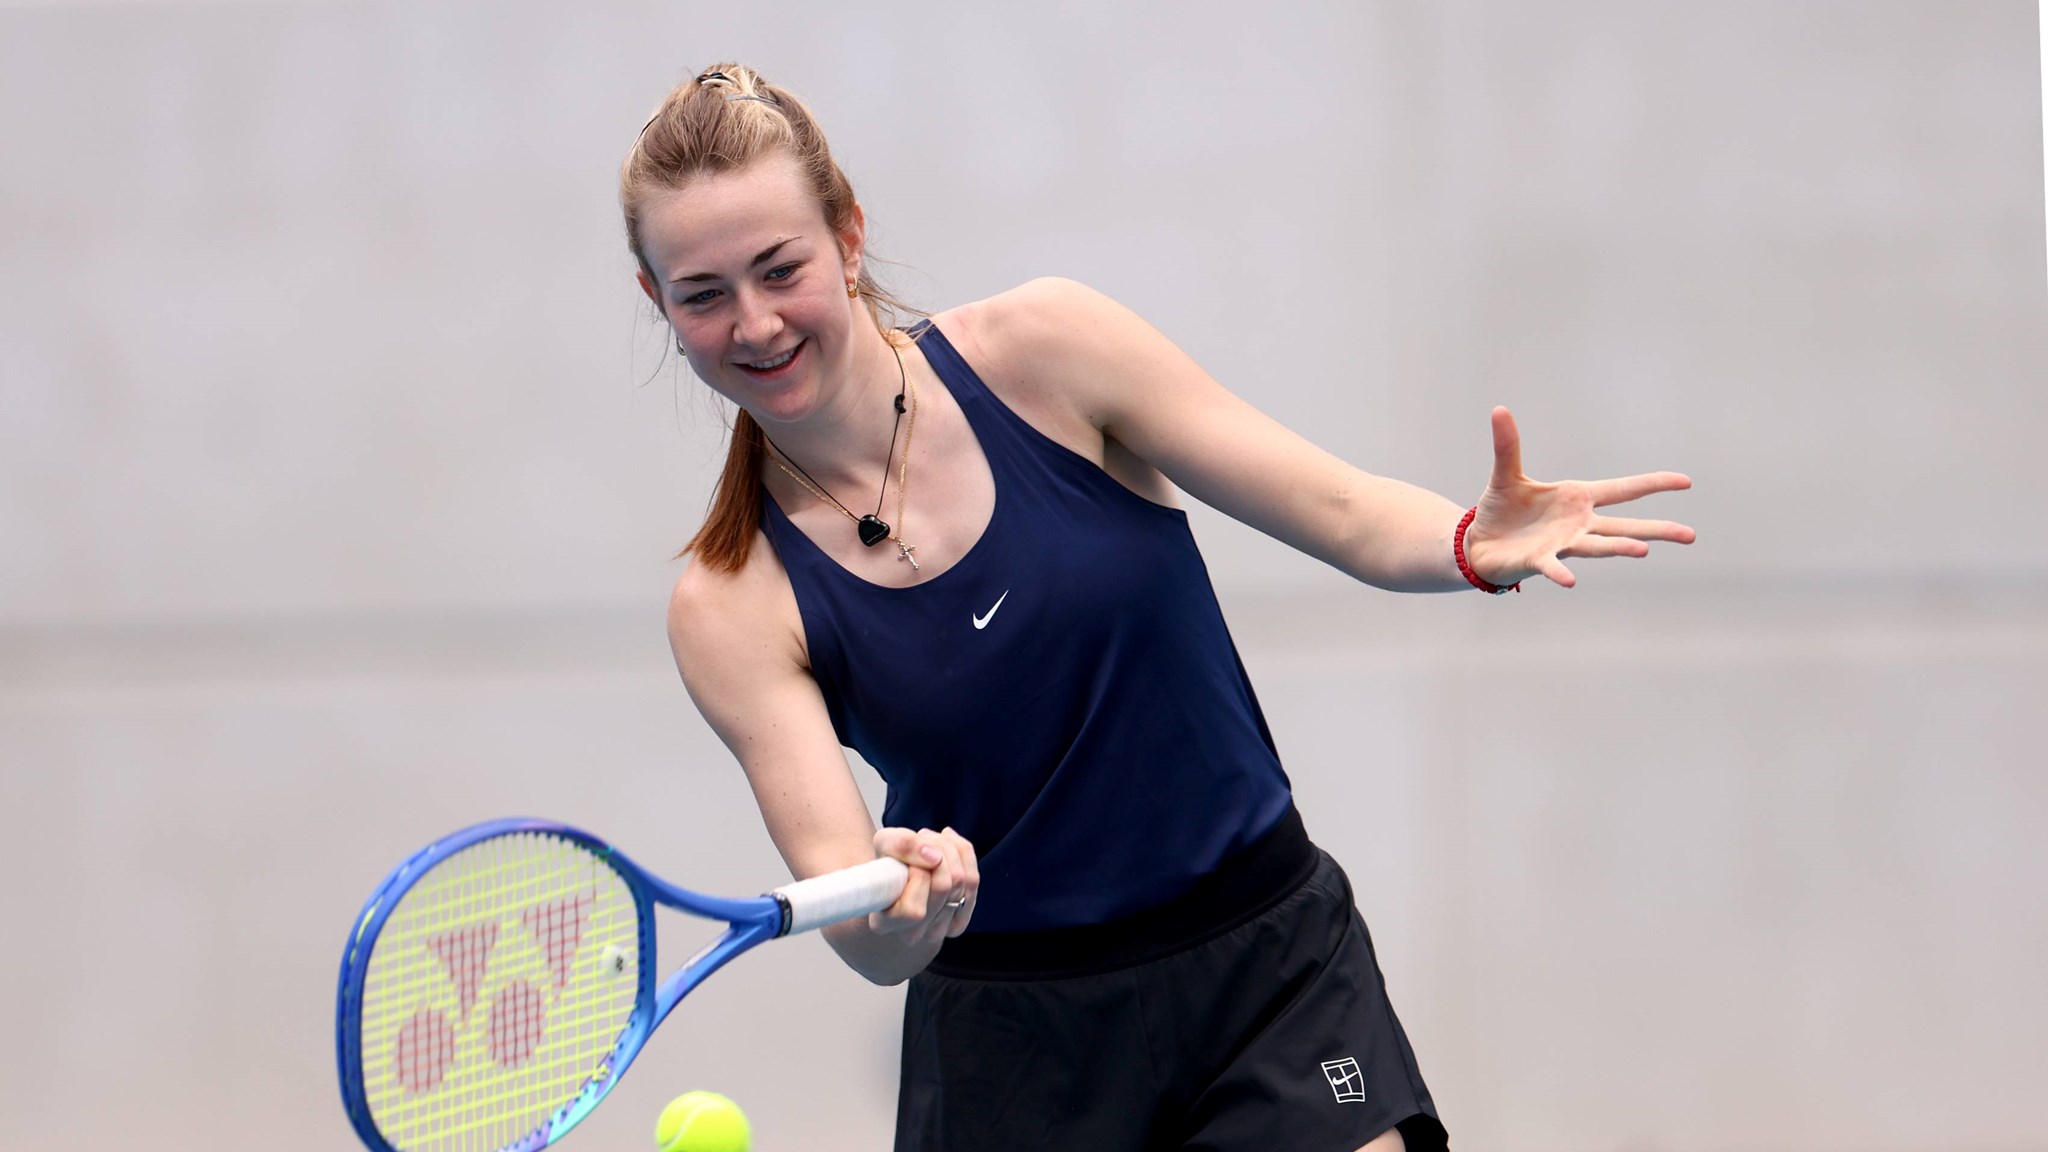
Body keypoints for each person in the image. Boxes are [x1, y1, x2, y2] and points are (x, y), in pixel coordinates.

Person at [622, 64, 1693, 1152]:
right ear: (657, 303)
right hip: (1012, 1048)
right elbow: (860, 925)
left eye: (779, 268)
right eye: (704, 293)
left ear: (847, 238)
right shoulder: (729, 603)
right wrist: (912, 910)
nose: (754, 323)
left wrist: (1468, 542)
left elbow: (1342, 510)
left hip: (1263, 969)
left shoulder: (1044, 352)